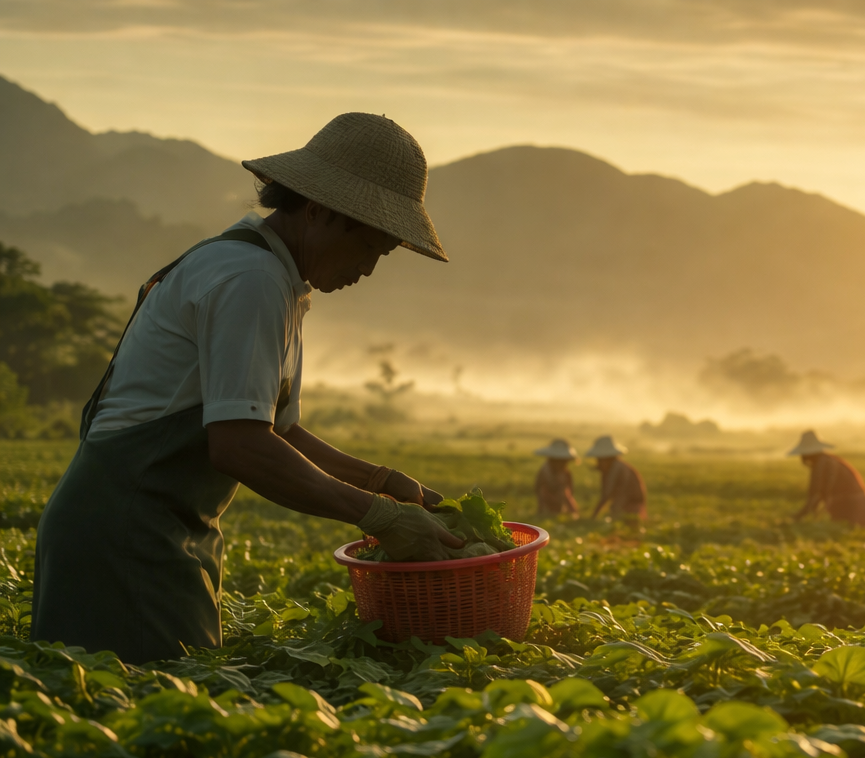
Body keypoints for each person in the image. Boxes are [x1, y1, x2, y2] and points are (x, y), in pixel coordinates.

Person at [32, 113, 463, 665]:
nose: (370, 270)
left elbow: (279, 432)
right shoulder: (250, 279)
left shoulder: (277, 279)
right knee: (147, 718)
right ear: (320, 211)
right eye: (372, 248)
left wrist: (388, 484)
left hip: (160, 531)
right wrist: (377, 516)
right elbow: (240, 447)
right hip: (125, 533)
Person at [788, 430, 865, 532]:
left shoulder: (821, 464)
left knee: (848, 531)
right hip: (856, 505)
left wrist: (799, 516)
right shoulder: (827, 461)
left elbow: (815, 494)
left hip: (851, 506)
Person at [587, 435, 646, 520]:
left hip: (631, 505)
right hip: (624, 505)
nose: (598, 462)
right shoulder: (611, 468)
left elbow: (607, 494)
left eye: (600, 459)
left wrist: (594, 515)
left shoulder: (616, 467)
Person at [533, 439, 580, 516]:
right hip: (547, 502)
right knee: (543, 491)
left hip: (559, 503)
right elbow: (538, 489)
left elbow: (569, 493)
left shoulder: (566, 473)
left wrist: (574, 512)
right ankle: (544, 513)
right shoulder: (544, 471)